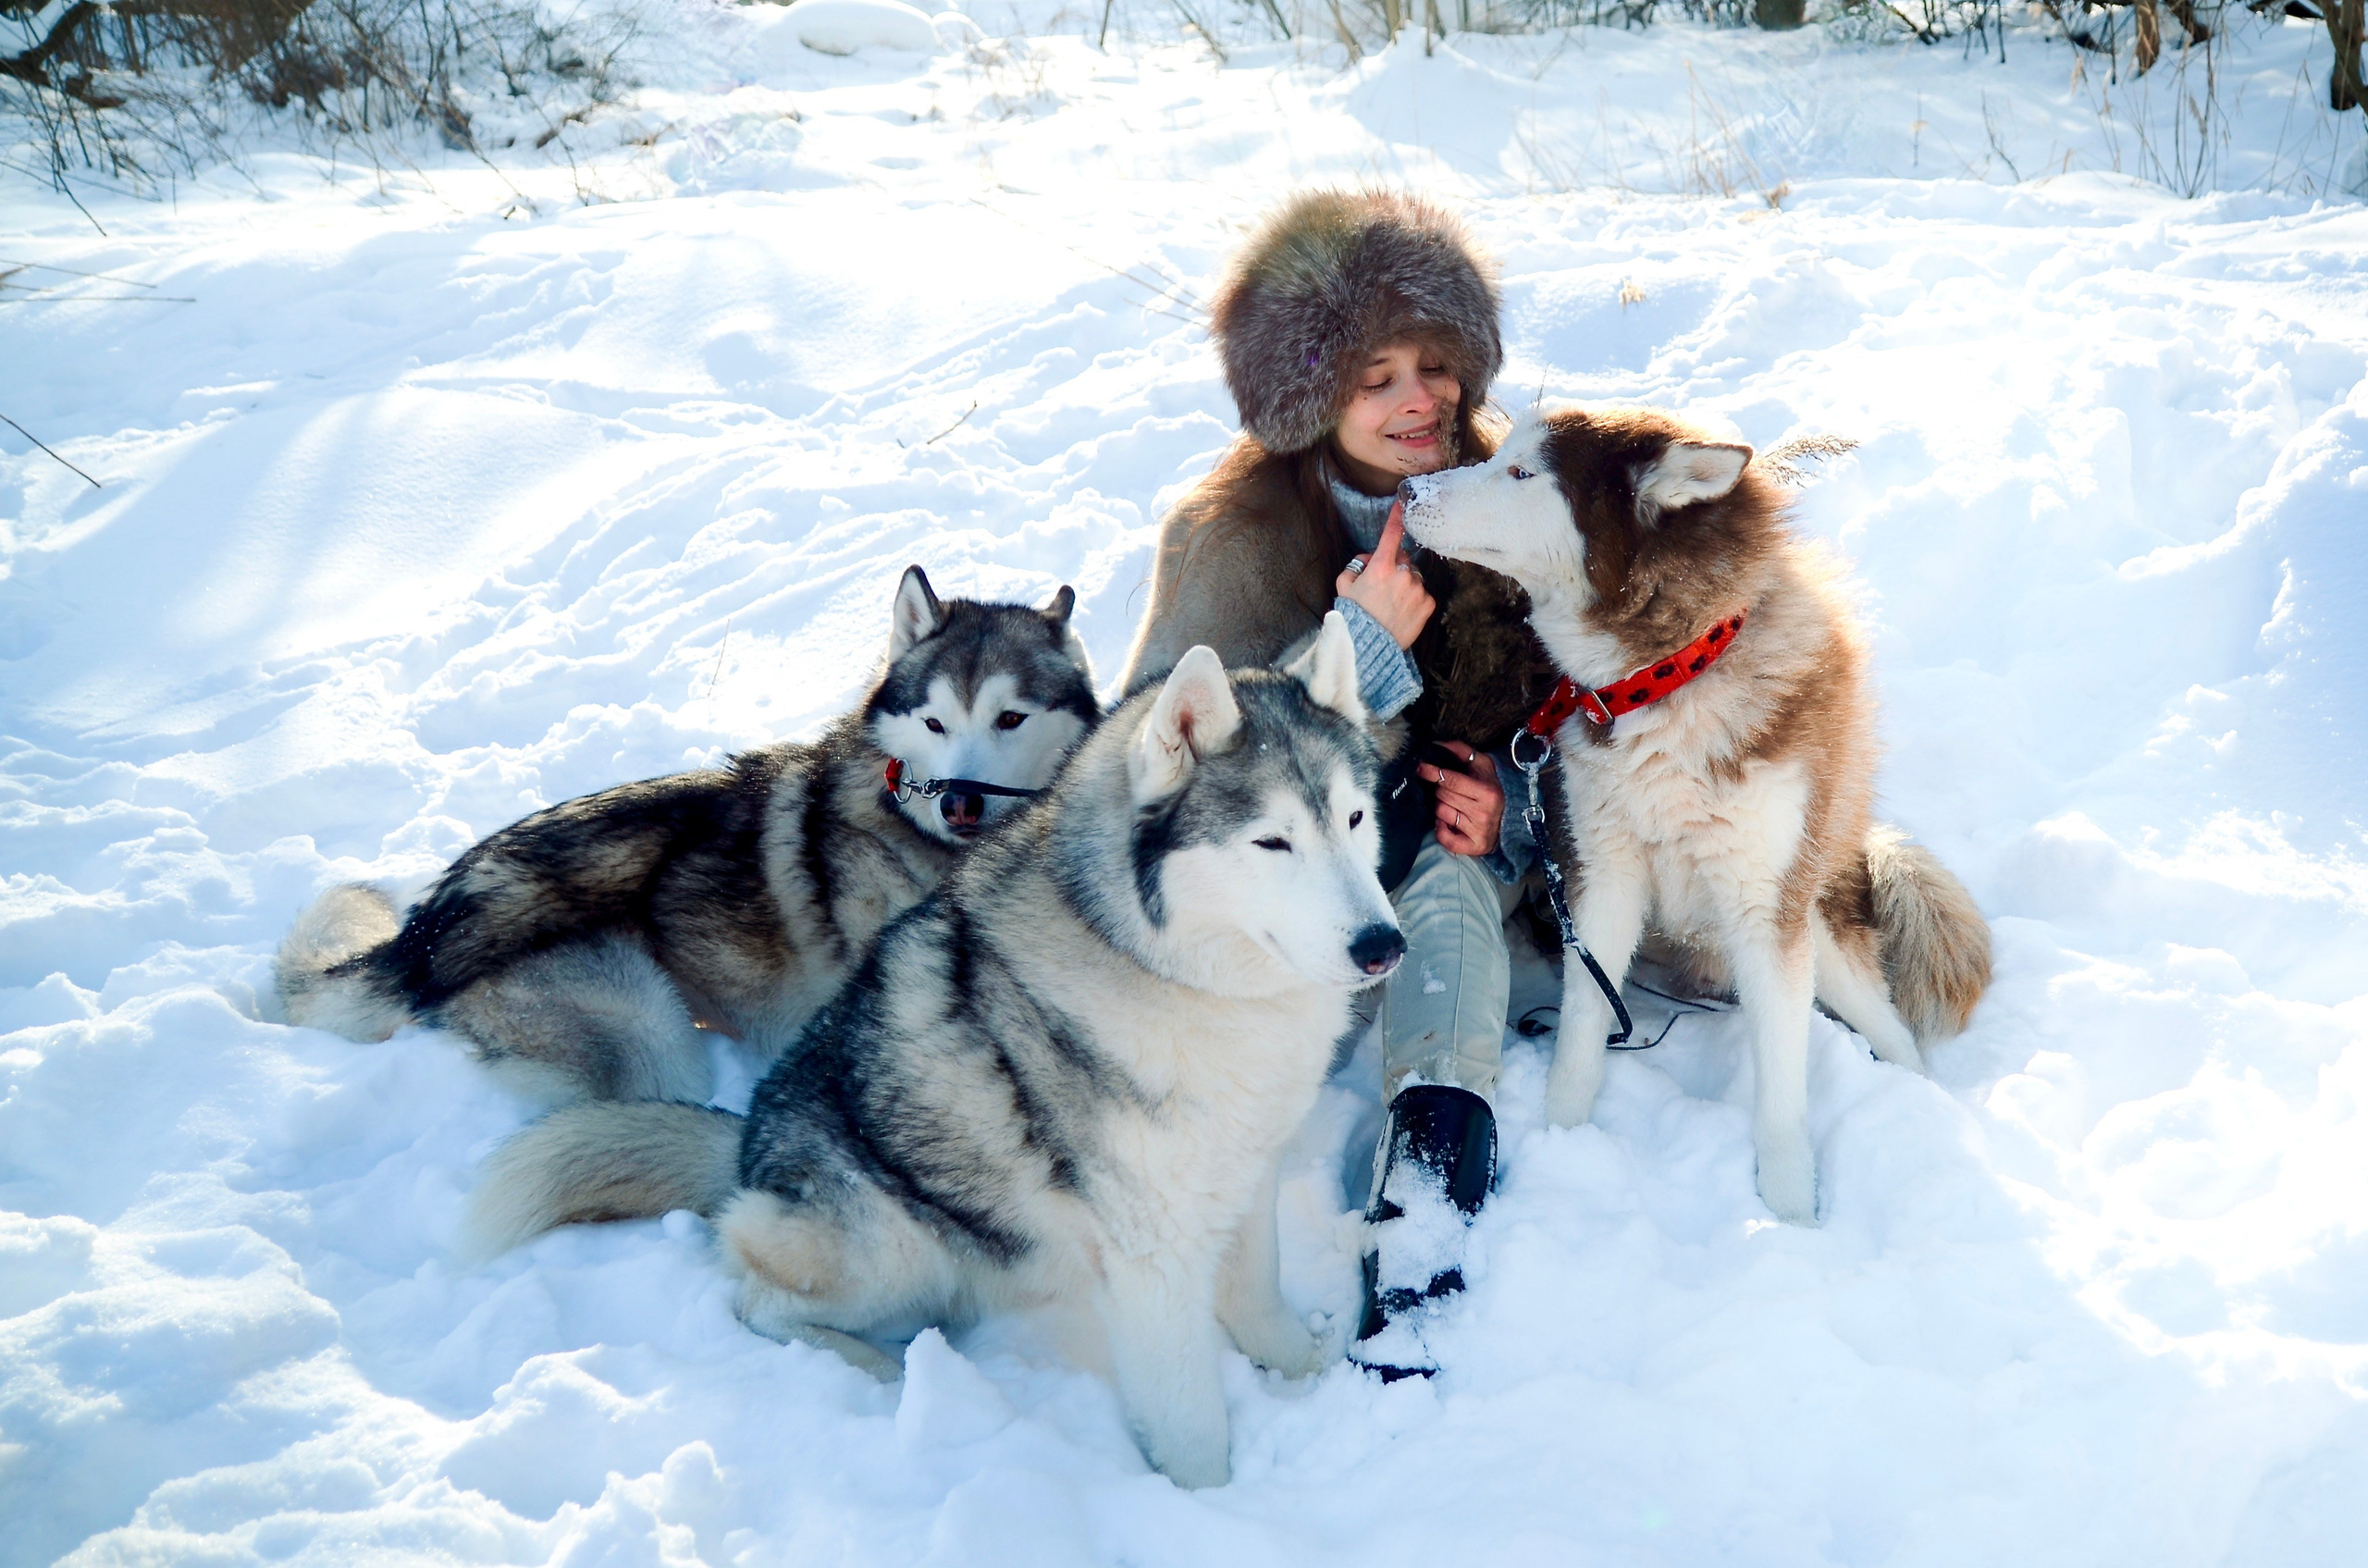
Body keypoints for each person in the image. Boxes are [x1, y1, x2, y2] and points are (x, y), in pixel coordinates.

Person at [1119, 190, 1553, 1379]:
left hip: (1440, 889)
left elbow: (1590, 721)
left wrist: (1506, 815)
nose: (1423, 400)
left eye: (1437, 364)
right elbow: (1151, 775)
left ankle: (1425, 1200)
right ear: (1311, 399)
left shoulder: (1515, 501)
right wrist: (1357, 653)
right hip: (1279, 908)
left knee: (1453, 880)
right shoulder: (1233, 538)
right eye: (1376, 379)